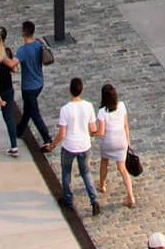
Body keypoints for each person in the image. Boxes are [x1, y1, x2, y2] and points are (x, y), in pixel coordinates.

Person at [54, 77, 101, 213]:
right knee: (86, 173)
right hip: (84, 145)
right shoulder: (88, 106)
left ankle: (68, 198)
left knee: (66, 172)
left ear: (70, 90)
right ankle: (94, 200)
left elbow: (62, 133)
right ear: (82, 90)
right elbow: (93, 129)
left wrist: (52, 145)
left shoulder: (65, 109)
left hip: (69, 146)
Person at [10, 20, 53, 151]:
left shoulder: (22, 50)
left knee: (34, 114)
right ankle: (20, 130)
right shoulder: (38, 44)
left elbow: (13, 64)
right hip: (39, 83)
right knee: (29, 109)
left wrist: (3, 57)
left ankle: (47, 139)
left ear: (24, 32)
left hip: (28, 87)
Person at [95, 82, 135, 210]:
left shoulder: (102, 112)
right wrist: (128, 142)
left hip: (108, 142)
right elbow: (126, 125)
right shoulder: (122, 106)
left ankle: (102, 185)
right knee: (123, 169)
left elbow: (101, 132)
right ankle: (131, 196)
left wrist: (91, 133)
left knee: (104, 161)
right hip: (121, 141)